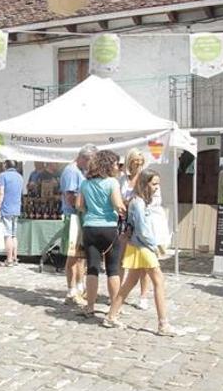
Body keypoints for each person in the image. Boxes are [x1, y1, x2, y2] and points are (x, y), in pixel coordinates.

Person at [105, 169, 177, 336]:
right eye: (154, 184)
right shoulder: (138, 203)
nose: (157, 187)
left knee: (130, 283)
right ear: (145, 184)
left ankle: (111, 316)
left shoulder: (139, 201)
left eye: (158, 183)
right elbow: (143, 230)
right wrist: (155, 245)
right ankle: (163, 324)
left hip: (137, 245)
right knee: (159, 280)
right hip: (142, 246)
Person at [76, 151, 126, 319]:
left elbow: (79, 206)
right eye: (115, 164)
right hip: (109, 228)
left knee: (92, 268)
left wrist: (92, 209)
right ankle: (115, 307)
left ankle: (89, 306)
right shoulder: (112, 182)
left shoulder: (85, 184)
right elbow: (118, 205)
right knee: (112, 269)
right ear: (108, 165)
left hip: (90, 227)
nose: (117, 167)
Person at [61, 144, 97, 306]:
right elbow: (70, 196)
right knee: (73, 254)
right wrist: (84, 206)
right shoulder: (71, 171)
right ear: (83, 158)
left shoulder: (81, 172)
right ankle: (71, 288)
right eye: (90, 161)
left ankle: (80, 285)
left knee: (81, 255)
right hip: (74, 216)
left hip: (81, 216)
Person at [119, 149, 153, 310]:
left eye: (140, 160)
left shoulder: (145, 177)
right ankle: (118, 292)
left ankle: (143, 295)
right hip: (123, 221)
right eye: (134, 160)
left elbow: (150, 200)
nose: (138, 163)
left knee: (143, 262)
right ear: (129, 161)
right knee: (121, 259)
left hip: (139, 223)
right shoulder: (122, 179)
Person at [0, 160, 25, 266]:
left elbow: (1, 192)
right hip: (16, 207)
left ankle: (8, 259)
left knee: (7, 234)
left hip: (6, 207)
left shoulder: (3, 175)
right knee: (14, 234)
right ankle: (15, 257)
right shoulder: (20, 177)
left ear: (5, 165)